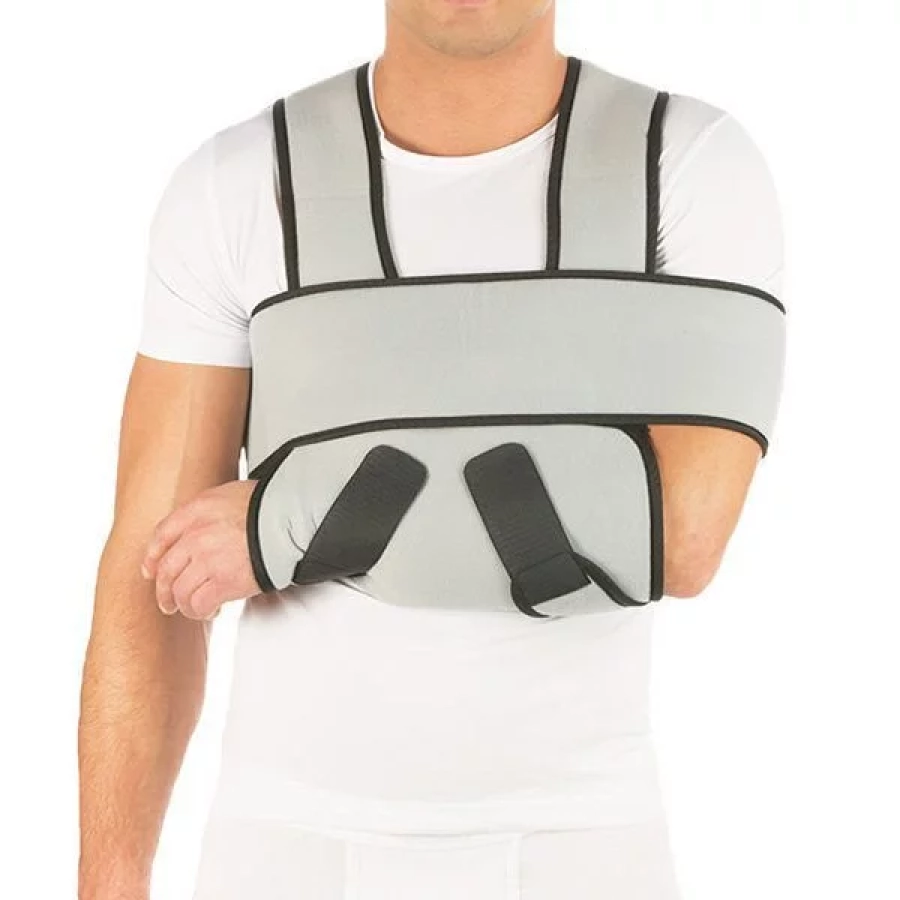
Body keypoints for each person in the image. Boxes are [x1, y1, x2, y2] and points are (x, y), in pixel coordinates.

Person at [78, 1, 785, 898]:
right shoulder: (241, 182)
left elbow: (675, 534)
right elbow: (154, 564)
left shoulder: (682, 161)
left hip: (577, 841)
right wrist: (108, 880)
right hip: (289, 841)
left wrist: (280, 524)